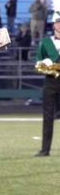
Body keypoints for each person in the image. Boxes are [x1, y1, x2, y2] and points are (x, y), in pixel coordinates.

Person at [34, 14, 60, 156]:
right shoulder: (46, 42)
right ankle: (45, 150)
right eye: (57, 22)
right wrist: (51, 68)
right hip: (50, 82)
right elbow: (38, 65)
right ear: (53, 25)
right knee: (48, 116)